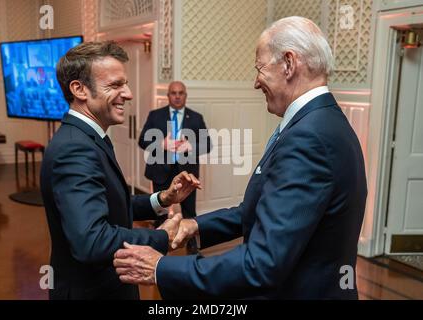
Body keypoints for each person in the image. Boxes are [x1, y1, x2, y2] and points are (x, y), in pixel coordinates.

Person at [113, 16, 368, 299]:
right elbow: (261, 208)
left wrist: (161, 268)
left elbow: (263, 262)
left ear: (289, 63)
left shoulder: (310, 137)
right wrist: (196, 224)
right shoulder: (321, 121)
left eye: (260, 69)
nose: (256, 82)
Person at [40, 41, 200, 300]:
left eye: (124, 83)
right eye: (115, 85)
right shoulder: (74, 149)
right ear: (79, 89)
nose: (128, 93)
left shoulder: (87, 137)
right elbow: (91, 240)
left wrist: (162, 199)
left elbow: (110, 204)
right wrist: (159, 236)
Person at [138, 81, 211, 253]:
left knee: (189, 210)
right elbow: (142, 140)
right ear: (168, 96)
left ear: (185, 95)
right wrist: (161, 143)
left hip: (187, 174)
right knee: (159, 210)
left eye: (181, 93)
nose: (177, 96)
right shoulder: (155, 115)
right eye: (173, 93)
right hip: (160, 171)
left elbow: (208, 144)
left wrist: (191, 145)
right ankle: (157, 245)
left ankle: (192, 245)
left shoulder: (196, 117)